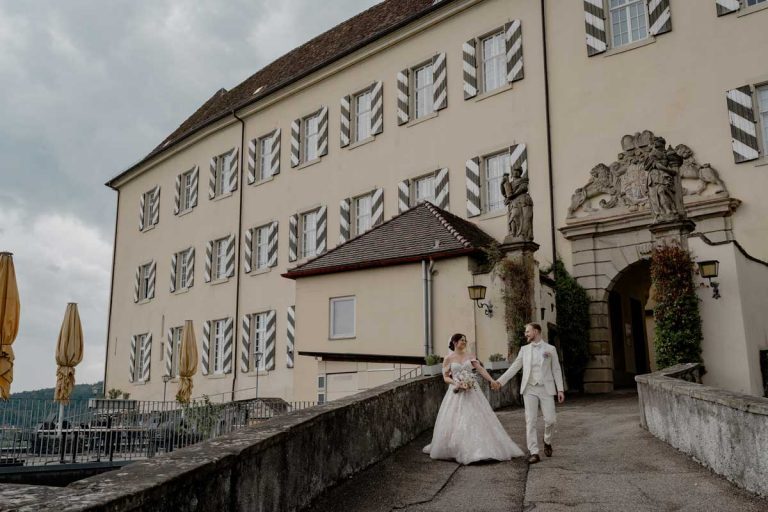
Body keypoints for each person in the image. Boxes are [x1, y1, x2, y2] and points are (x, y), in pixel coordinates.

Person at [423, 333, 524, 464]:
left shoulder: (470, 356)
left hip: (472, 391)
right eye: (462, 340)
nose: (464, 342)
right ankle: (455, 448)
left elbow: (481, 369)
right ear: (454, 342)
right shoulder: (448, 358)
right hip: (456, 391)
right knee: (456, 419)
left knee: (477, 417)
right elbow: (446, 377)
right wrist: (456, 383)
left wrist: (492, 381)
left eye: (465, 340)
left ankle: (480, 450)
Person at [494, 323, 564, 464]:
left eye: (527, 331)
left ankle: (547, 440)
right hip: (529, 388)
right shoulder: (524, 350)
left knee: (550, 420)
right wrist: (500, 382)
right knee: (530, 421)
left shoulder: (551, 349)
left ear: (536, 331)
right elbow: (514, 367)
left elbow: (556, 369)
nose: (525, 334)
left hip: (546, 388)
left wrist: (560, 389)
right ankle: (534, 452)